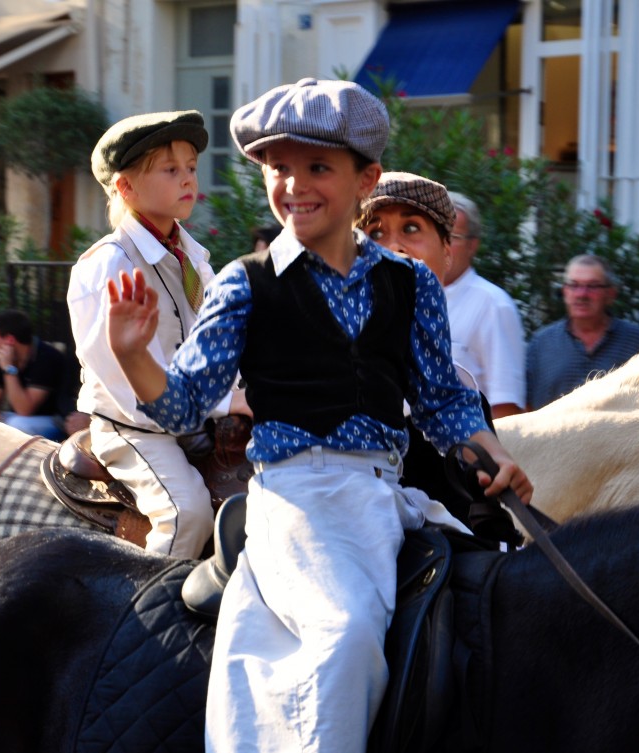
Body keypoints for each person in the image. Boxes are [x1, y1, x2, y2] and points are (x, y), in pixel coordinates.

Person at [106, 78, 532, 752]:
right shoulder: (245, 283)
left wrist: (491, 450)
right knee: (348, 629)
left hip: (383, 494)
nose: (293, 185)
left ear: (368, 178)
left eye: (317, 168)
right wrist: (134, 356)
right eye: (278, 168)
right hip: (293, 497)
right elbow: (186, 401)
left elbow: (441, 400)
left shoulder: (412, 280)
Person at [67, 110, 244, 560]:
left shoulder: (193, 258)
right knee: (189, 514)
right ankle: (147, 615)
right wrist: (223, 402)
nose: (187, 179)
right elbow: (123, 381)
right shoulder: (109, 264)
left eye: (190, 168)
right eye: (170, 170)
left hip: (192, 416)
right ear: (126, 188)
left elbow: (213, 341)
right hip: (134, 428)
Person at [360, 176, 526, 418]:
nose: (394, 246)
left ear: (447, 249)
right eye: (375, 233)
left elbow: (505, 412)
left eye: (411, 229)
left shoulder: (492, 304)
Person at [526, 254, 639, 409]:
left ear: (610, 294)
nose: (582, 294)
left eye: (592, 286)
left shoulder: (635, 342)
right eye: (573, 285)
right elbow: (526, 407)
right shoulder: (541, 344)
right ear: (565, 292)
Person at [0, 309, 67, 440]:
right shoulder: (2, 356)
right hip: (17, 417)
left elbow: (24, 409)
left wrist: (9, 369)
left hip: (52, 421)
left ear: (10, 340)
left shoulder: (47, 357)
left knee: (17, 425)